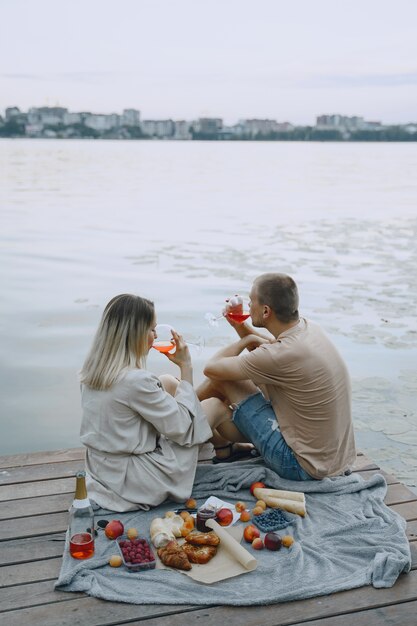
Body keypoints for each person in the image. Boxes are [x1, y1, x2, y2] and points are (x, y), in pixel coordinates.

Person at [198, 273, 356, 480]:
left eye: (251, 300)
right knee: (229, 382)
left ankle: (177, 416)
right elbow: (272, 352)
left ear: (265, 311)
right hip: (334, 460)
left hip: (300, 467)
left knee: (224, 379)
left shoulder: (284, 354)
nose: (248, 304)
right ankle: (210, 436)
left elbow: (211, 368)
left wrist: (245, 342)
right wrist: (239, 325)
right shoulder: (309, 329)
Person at [79, 293, 213, 512]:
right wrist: (186, 367)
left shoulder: (92, 372)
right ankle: (224, 450)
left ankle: (223, 448)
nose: (155, 335)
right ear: (136, 333)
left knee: (166, 382)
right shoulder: (135, 381)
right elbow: (183, 426)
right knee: (213, 407)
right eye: (152, 329)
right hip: (134, 480)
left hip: (102, 467)